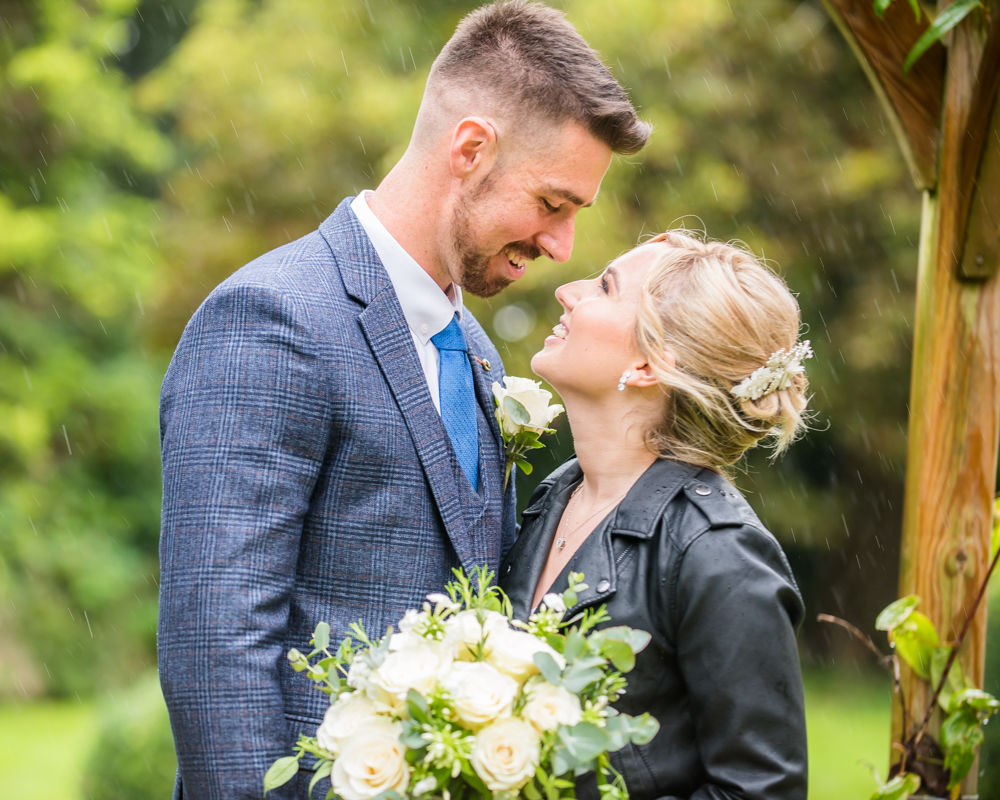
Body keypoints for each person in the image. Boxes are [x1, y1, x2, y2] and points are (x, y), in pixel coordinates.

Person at [157, 2, 650, 798]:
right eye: (554, 204)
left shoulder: (482, 357)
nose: (562, 247)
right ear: (470, 148)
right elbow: (216, 649)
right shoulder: (274, 320)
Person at [500, 230, 810, 800]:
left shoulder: (720, 553)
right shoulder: (553, 496)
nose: (568, 291)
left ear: (649, 365)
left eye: (605, 287)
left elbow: (758, 790)